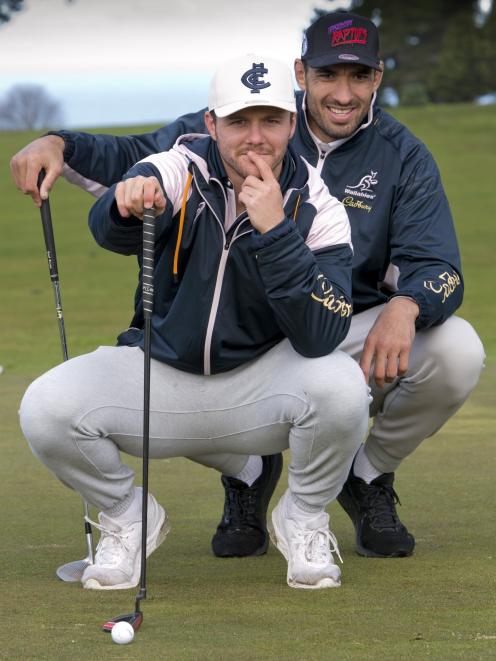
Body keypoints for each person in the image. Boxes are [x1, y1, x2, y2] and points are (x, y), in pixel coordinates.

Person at [12, 11, 485, 561]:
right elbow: (138, 161)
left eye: (359, 76)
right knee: (195, 359)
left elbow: (441, 268)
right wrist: (59, 144)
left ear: (378, 78)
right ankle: (248, 474)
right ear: (301, 74)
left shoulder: (403, 155)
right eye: (329, 75)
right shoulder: (241, 124)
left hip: (331, 326)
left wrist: (407, 305)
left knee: (455, 349)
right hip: (235, 330)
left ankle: (366, 474)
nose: (342, 93)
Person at [19, 53, 371, 591]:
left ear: (292, 123)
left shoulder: (318, 207)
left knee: (345, 389)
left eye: (270, 121)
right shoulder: (178, 167)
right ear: (211, 124)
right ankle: (126, 517)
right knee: (45, 408)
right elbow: (108, 228)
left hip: (261, 390)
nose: (255, 139)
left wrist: (276, 231)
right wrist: (125, 203)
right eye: (238, 122)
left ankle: (302, 517)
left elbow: (322, 333)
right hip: (160, 375)